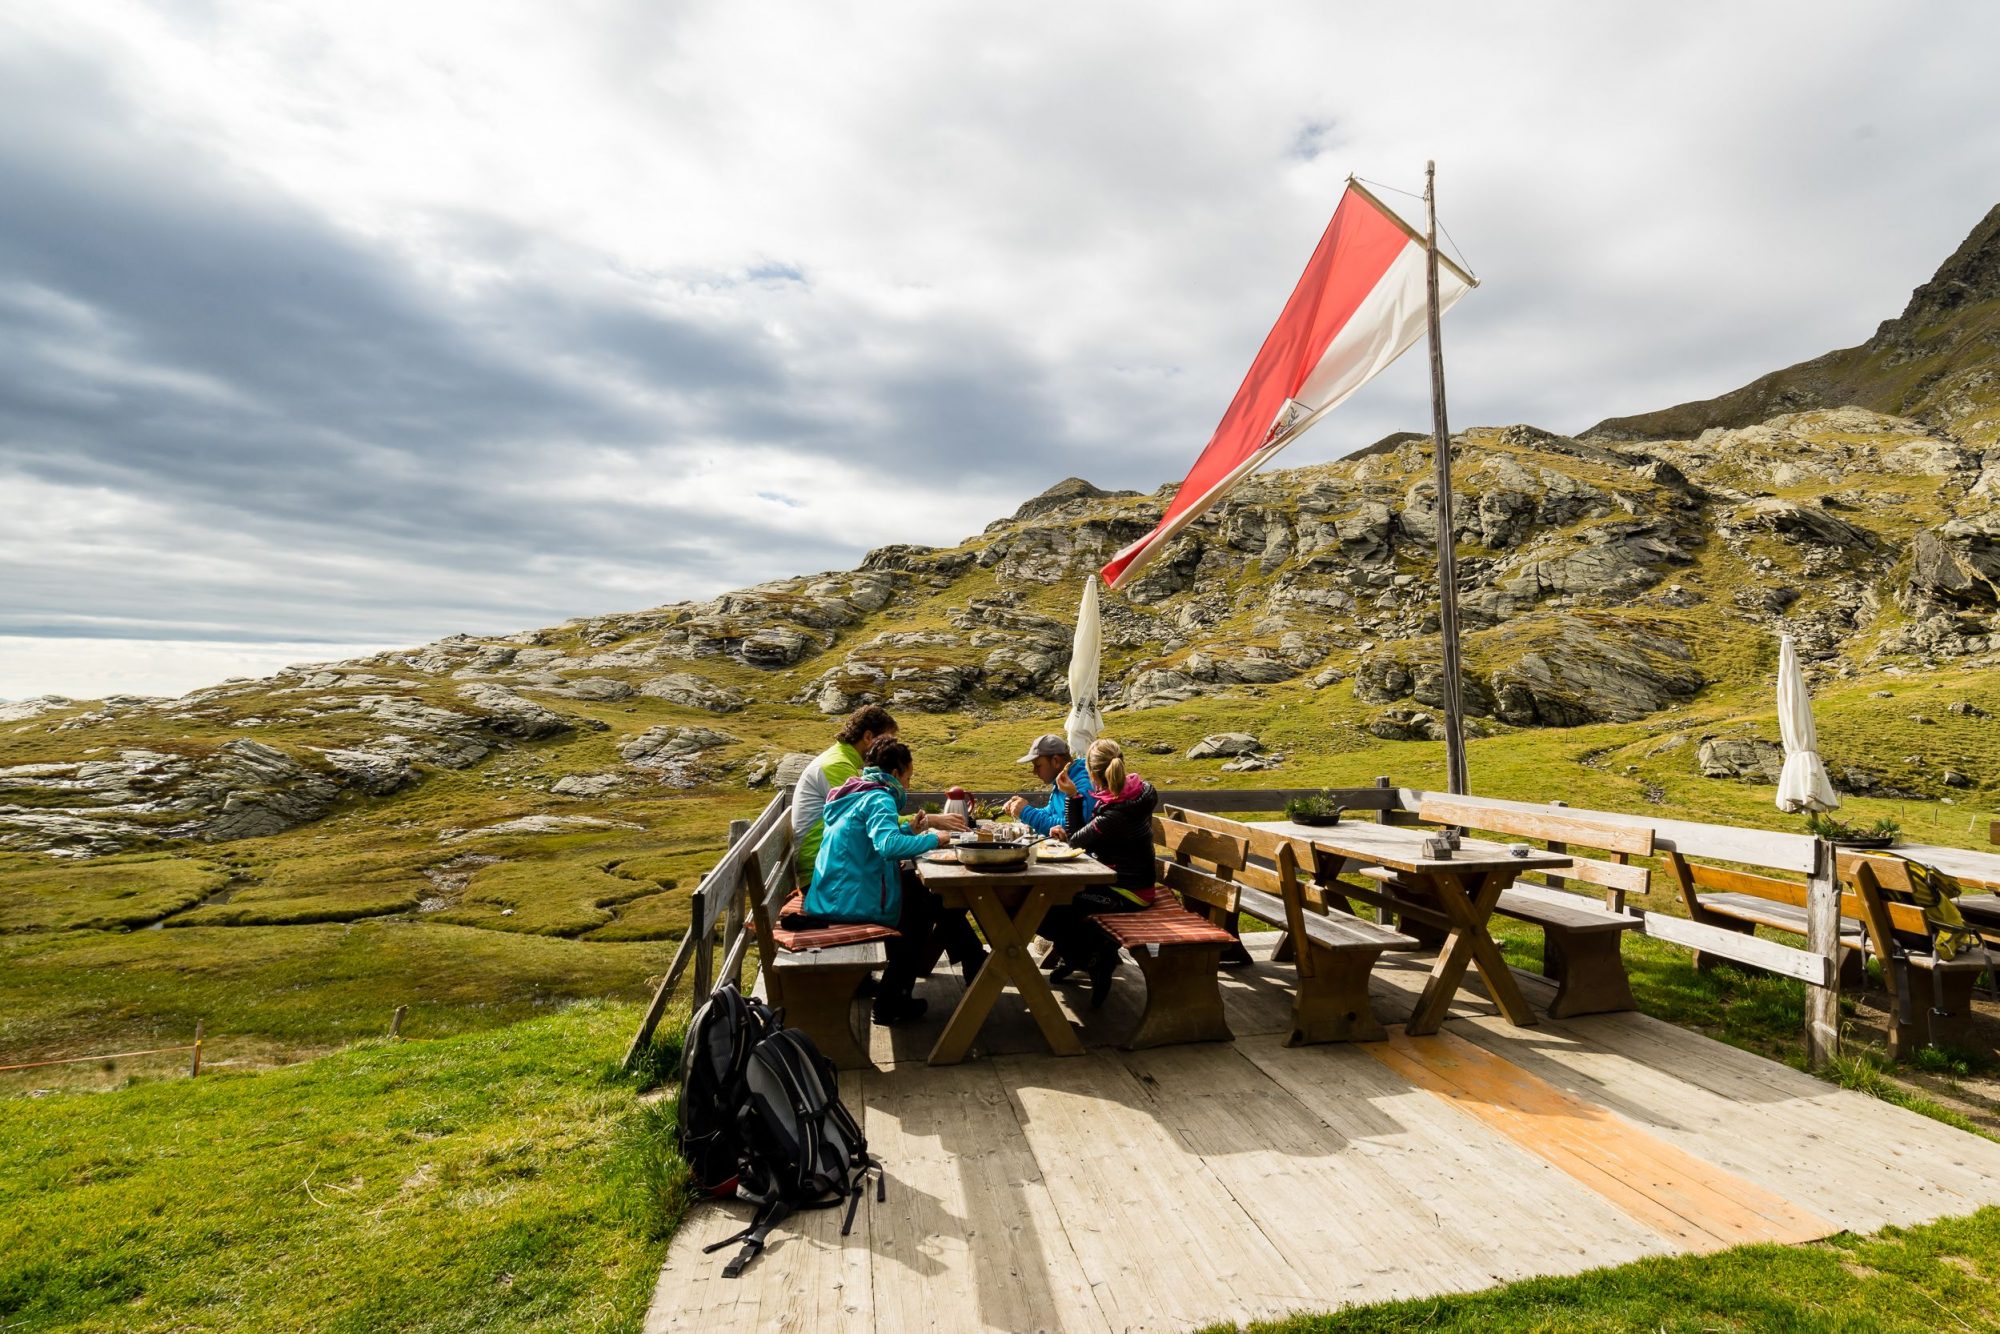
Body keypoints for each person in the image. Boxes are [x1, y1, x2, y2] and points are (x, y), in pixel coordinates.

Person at [807, 738, 984, 1025]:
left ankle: (969, 963)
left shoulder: (855, 792)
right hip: (850, 901)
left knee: (926, 897)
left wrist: (907, 827)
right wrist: (932, 838)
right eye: (909, 777)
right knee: (925, 906)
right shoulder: (879, 797)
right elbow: (887, 845)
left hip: (836, 892)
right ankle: (898, 998)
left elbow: (869, 833)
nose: (909, 785)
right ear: (897, 771)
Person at [1037, 738, 1158, 1008]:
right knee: (1053, 903)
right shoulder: (1138, 792)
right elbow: (1084, 835)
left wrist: (1071, 797)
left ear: (1092, 775)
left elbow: (1078, 839)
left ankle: (1094, 960)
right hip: (1128, 882)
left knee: (1046, 907)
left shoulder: (1115, 813)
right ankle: (1083, 955)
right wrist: (1076, 799)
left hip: (1128, 893)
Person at [792, 705, 965, 887]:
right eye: (885, 740)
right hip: (827, 872)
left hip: (839, 865)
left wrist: (912, 828)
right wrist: (930, 822)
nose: (888, 748)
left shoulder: (841, 760)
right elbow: (874, 822)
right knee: (934, 891)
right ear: (867, 737)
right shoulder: (837, 765)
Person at [1002, 733, 1095, 837]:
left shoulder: (1084, 783)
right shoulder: (1063, 779)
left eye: (1038, 766)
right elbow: (1050, 813)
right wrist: (1020, 809)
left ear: (1055, 761)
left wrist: (1026, 812)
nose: (1034, 771)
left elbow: (1072, 826)